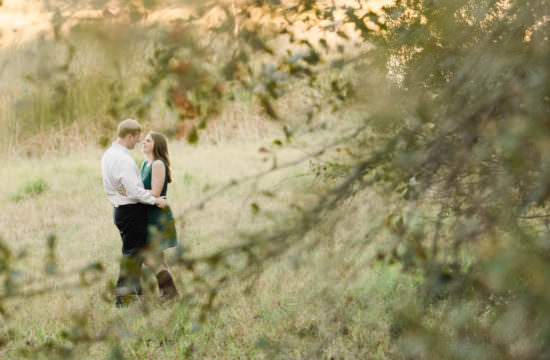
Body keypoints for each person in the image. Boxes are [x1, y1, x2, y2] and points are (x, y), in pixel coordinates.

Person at [101, 119, 168, 307]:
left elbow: (124, 187)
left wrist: (124, 191)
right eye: (136, 139)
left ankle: (136, 294)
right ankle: (123, 299)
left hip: (120, 209)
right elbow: (135, 191)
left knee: (135, 255)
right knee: (131, 256)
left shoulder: (108, 154)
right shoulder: (123, 159)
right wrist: (156, 200)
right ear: (129, 136)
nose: (137, 142)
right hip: (131, 211)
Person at [140, 131, 179, 300]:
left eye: (148, 141)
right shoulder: (145, 164)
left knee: (150, 257)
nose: (144, 142)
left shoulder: (158, 164)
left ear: (157, 145)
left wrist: (132, 191)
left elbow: (155, 193)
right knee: (157, 258)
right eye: (144, 140)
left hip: (157, 216)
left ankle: (169, 295)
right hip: (148, 215)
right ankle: (170, 295)